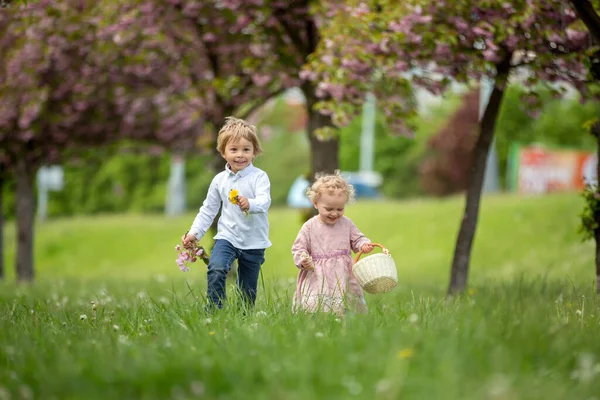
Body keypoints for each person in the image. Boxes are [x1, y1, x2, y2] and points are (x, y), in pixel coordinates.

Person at [182, 117, 271, 310]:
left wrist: (250, 203)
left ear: (254, 152)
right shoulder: (219, 180)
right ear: (223, 153)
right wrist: (194, 233)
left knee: (247, 290)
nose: (240, 155)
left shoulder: (259, 177)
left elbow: (264, 201)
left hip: (254, 240)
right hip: (227, 237)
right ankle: (215, 310)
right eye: (234, 149)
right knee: (217, 268)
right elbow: (208, 210)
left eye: (246, 149)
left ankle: (244, 318)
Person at [291, 170, 374, 315]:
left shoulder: (347, 224)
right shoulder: (309, 226)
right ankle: (319, 321)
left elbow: (357, 238)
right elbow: (299, 248)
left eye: (340, 209)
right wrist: (303, 260)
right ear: (315, 203)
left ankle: (347, 321)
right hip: (318, 273)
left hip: (343, 272)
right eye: (329, 209)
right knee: (317, 302)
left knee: (348, 299)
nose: (334, 213)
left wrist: (363, 244)